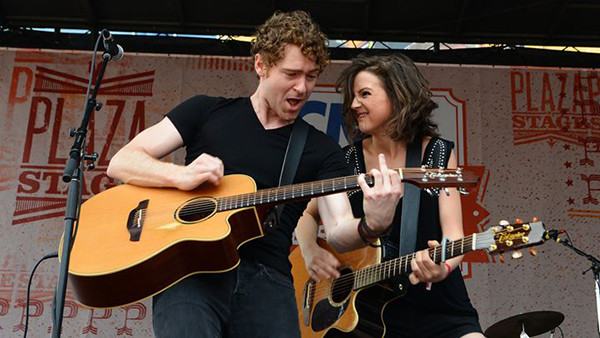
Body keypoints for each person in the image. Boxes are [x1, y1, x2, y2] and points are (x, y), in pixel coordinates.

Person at [106, 11, 402, 338]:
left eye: (312, 76)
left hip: (268, 279)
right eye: (291, 73)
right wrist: (179, 176)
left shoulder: (320, 148)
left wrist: (372, 224)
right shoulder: (205, 111)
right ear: (260, 65)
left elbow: (338, 230)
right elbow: (122, 161)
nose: (302, 87)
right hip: (191, 270)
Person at [295, 54, 484, 337]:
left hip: (437, 307)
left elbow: (454, 234)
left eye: (365, 94)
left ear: (398, 96)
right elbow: (306, 215)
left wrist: (442, 267)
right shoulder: (344, 160)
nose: (354, 104)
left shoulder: (438, 153)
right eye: (353, 96)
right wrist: (310, 252)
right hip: (366, 313)